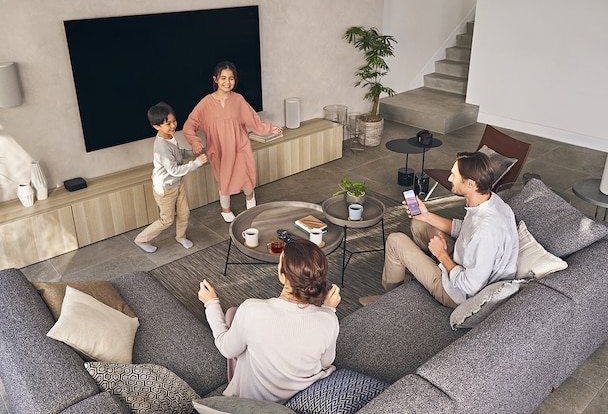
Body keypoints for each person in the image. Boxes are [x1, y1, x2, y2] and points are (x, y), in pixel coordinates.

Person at [360, 151, 518, 308]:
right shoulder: (491, 201)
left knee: (395, 241)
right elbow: (465, 229)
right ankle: (416, 274)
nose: (449, 179)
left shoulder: (485, 232)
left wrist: (441, 254)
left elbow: (470, 286)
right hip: (464, 263)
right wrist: (426, 216)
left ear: (470, 184)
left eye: (454, 176)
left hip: (460, 294)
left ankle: (389, 301)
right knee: (418, 224)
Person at [197, 239, 341, 403]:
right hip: (295, 395)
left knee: (233, 316)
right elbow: (325, 362)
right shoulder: (328, 320)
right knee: (233, 314)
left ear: (283, 276)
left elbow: (227, 349)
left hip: (251, 400)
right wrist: (328, 310)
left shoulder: (252, 309)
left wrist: (211, 303)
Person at [183, 61, 283, 223]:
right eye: (223, 78)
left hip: (240, 146)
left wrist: (269, 128)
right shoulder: (205, 103)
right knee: (224, 179)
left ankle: (251, 201)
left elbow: (253, 121)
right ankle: (226, 209)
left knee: (246, 174)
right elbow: (189, 125)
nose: (227, 82)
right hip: (219, 150)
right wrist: (194, 141)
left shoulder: (238, 100)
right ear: (215, 79)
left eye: (231, 78)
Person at [134, 102, 208, 253]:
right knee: (167, 219)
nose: (173, 125)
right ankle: (141, 240)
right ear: (156, 126)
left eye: (174, 121)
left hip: (177, 183)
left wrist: (192, 152)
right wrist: (196, 163)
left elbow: (177, 154)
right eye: (168, 124)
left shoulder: (169, 137)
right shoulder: (161, 147)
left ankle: (181, 237)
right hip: (165, 188)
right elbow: (174, 169)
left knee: (184, 213)